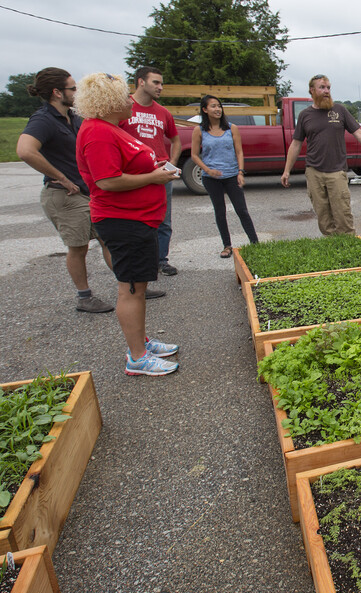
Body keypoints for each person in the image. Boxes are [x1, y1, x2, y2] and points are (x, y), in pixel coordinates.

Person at [75, 72, 181, 376]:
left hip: (137, 219)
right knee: (131, 288)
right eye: (123, 96)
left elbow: (125, 166)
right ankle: (137, 358)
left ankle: (141, 342)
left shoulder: (110, 129)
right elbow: (107, 181)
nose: (129, 101)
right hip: (124, 221)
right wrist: (154, 177)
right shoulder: (98, 132)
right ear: (108, 102)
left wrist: (153, 165)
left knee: (137, 285)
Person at [16, 67, 114, 313]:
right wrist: (60, 177)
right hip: (65, 195)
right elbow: (25, 150)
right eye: (73, 88)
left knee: (107, 238)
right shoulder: (43, 119)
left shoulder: (74, 117)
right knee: (78, 246)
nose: (77, 91)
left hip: (85, 192)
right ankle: (84, 297)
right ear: (57, 92)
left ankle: (131, 286)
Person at [280, 74, 361, 235]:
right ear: (312, 90)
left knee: (343, 215)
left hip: (336, 172)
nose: (326, 91)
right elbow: (296, 144)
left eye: (328, 88)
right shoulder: (305, 115)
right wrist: (286, 170)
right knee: (324, 218)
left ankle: (349, 249)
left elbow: (358, 133)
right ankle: (334, 250)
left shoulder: (340, 111)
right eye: (322, 87)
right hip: (314, 172)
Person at [119, 66, 181, 276]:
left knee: (163, 220)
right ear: (140, 82)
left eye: (161, 83)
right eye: (156, 82)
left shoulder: (163, 112)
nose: (160, 87)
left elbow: (175, 140)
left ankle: (160, 260)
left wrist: (171, 164)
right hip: (134, 176)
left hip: (161, 174)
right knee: (135, 221)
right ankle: (139, 263)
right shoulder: (123, 107)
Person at [190, 95, 259, 257]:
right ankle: (227, 246)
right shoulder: (199, 130)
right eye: (213, 106)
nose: (217, 109)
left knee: (242, 210)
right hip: (211, 178)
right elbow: (194, 155)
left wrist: (240, 172)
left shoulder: (231, 128)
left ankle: (255, 243)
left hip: (232, 175)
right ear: (205, 110)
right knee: (220, 211)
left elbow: (239, 151)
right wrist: (207, 170)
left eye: (219, 106)